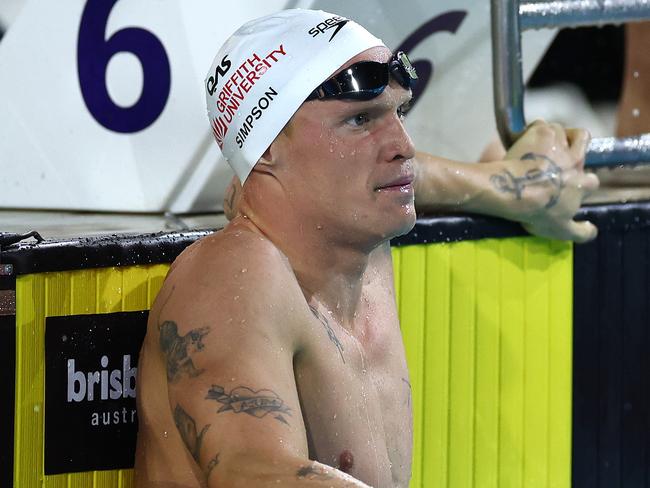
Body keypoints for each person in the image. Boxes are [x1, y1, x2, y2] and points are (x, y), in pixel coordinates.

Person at [135, 9, 598, 488]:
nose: (404, 145)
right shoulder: (237, 272)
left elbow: (386, 170)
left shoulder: (355, 235)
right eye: (360, 119)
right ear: (268, 148)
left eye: (399, 112)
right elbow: (251, 471)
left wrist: (510, 186)